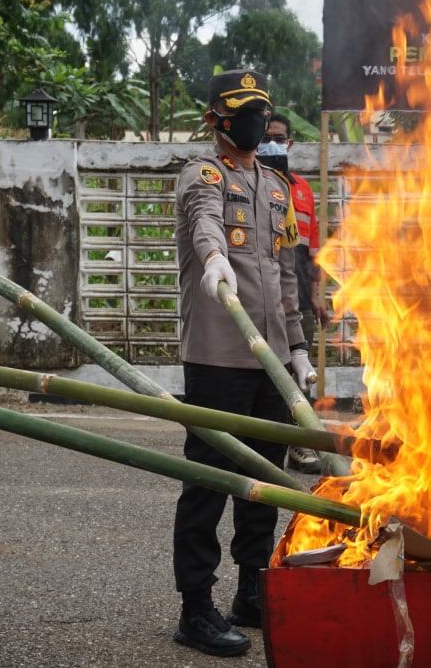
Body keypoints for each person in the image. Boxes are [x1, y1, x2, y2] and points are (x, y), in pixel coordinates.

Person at [171, 70, 312, 657]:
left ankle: (250, 589)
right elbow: (205, 220)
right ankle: (195, 607)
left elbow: (284, 275)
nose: (254, 121)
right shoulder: (202, 175)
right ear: (217, 120)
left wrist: (299, 345)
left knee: (265, 483)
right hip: (219, 356)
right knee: (209, 479)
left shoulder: (277, 188)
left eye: (261, 110)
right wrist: (213, 261)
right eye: (243, 111)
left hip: (273, 359)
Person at [257, 113, 327, 475]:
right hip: (259, 299)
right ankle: (265, 443)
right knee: (266, 375)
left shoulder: (302, 189)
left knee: (302, 372)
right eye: (266, 136)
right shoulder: (249, 184)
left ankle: (301, 444)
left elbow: (312, 247)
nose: (272, 142)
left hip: (297, 299)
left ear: (290, 143)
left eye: (278, 137)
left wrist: (315, 295)